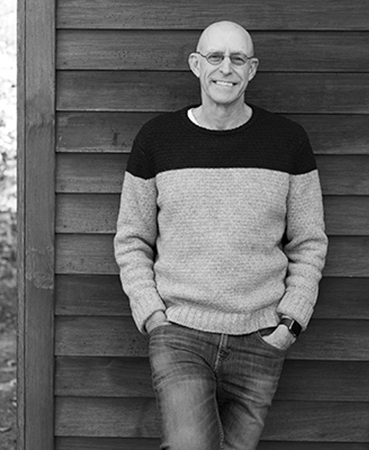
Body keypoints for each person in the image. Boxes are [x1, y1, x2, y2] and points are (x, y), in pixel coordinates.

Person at [114, 20, 328, 450]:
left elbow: (309, 242)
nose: (226, 68)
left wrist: (291, 320)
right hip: (180, 333)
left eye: (237, 59)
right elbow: (132, 238)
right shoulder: (156, 139)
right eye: (215, 57)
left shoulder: (288, 141)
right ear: (196, 64)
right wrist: (152, 313)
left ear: (252, 69)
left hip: (261, 337)